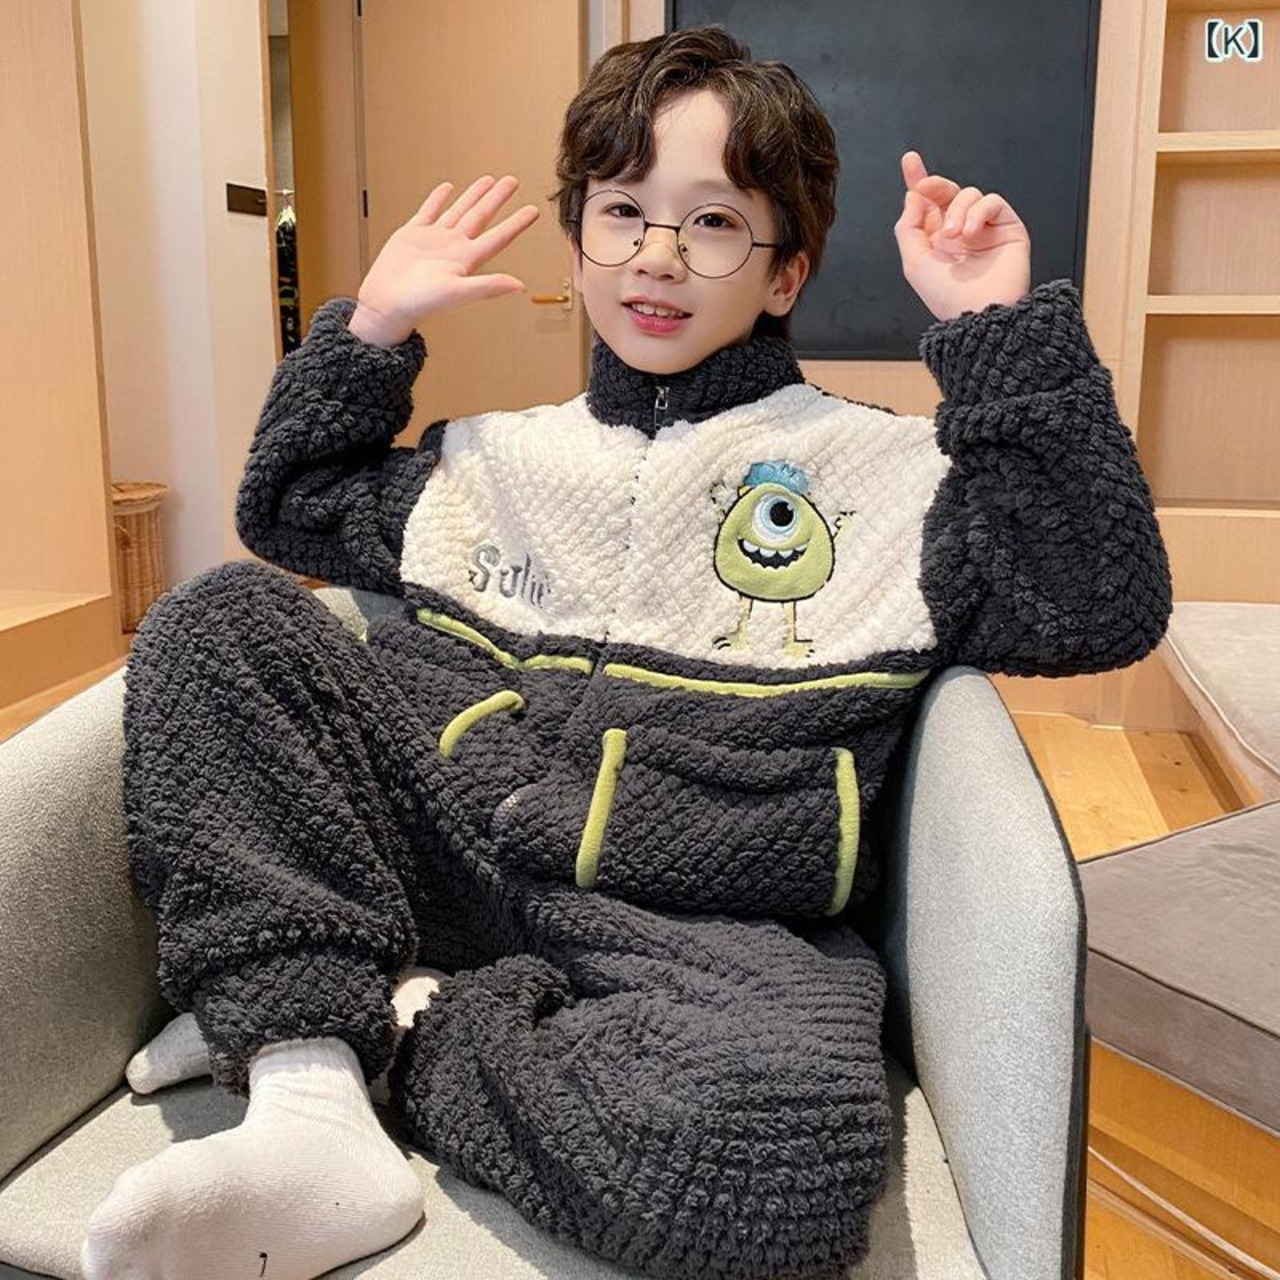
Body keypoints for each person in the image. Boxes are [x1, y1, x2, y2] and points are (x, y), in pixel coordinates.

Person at [82, 24, 1171, 1280]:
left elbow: (1095, 603)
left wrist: (999, 335)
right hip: (451, 841)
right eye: (621, 212)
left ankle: (386, 1026)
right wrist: (371, 328)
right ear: (578, 242)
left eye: (712, 222)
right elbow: (289, 505)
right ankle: (304, 1092)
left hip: (697, 919)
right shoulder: (491, 457)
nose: (656, 255)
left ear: (783, 274)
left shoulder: (888, 480)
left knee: (771, 1162)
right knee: (218, 614)